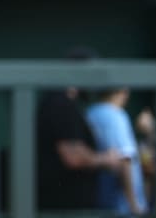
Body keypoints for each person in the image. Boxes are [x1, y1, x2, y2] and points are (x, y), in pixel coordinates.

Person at [36, 51, 125, 212]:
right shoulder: (60, 103)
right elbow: (73, 157)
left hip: (72, 205)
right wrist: (106, 159)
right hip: (62, 207)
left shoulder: (66, 103)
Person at [86, 88, 147, 215]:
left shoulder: (90, 113)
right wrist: (133, 205)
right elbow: (125, 160)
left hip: (100, 200)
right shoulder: (116, 115)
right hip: (122, 205)